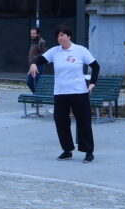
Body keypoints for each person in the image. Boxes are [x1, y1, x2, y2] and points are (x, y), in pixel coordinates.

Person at [29, 24, 100, 163]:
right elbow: (39, 59)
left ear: (69, 36)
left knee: (83, 122)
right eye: (58, 35)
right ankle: (67, 150)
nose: (59, 38)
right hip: (60, 93)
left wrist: (92, 83)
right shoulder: (55, 52)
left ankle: (88, 152)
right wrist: (33, 64)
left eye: (62, 35)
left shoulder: (80, 50)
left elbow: (95, 66)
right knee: (61, 122)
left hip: (79, 92)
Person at [27, 27, 48, 92]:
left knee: (37, 84)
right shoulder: (33, 41)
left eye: (34, 33)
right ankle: (36, 97)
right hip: (32, 66)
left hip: (39, 66)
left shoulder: (41, 42)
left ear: (38, 34)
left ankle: (37, 99)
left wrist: (36, 58)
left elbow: (45, 54)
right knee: (29, 82)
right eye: (31, 33)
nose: (32, 35)